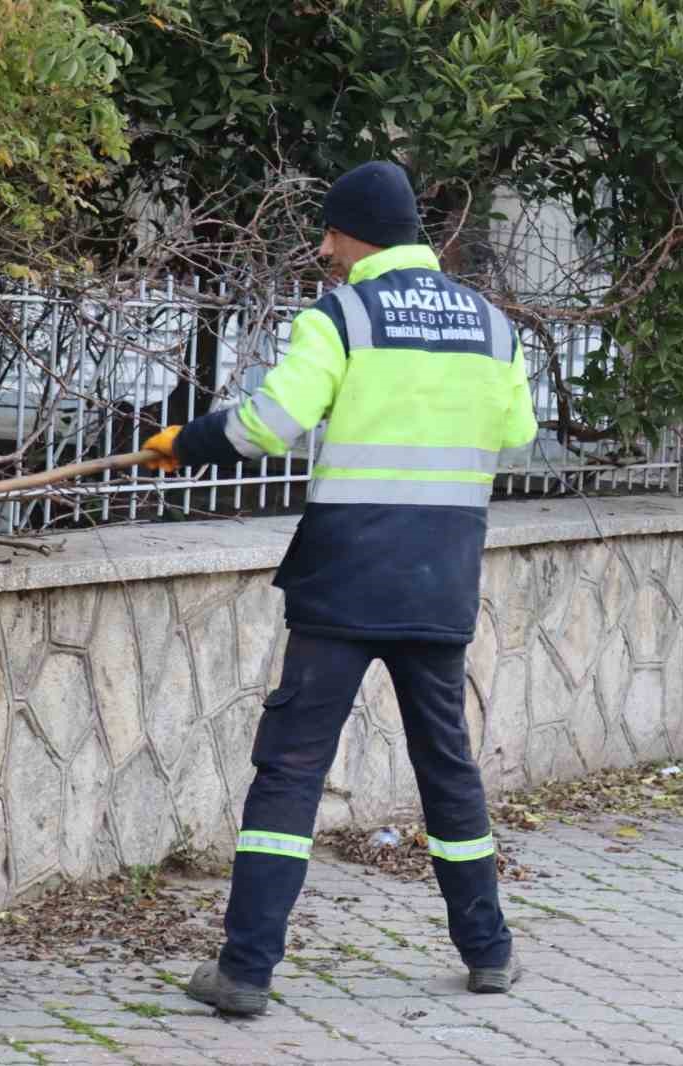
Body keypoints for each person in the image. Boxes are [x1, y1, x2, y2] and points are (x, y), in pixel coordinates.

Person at [141, 160, 538, 1015]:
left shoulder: (343, 316)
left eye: (330, 232)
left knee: (289, 771)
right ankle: (491, 952)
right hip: (440, 583)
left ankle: (245, 972)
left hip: (346, 582)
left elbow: (270, 427)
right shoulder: (495, 328)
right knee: (448, 768)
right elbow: (517, 431)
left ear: (363, 234)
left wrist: (190, 440)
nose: (323, 248)